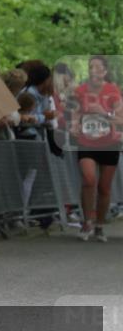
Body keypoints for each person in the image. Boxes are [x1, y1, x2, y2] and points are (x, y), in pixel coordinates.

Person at [70, 55, 122, 242]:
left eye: (98, 68)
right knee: (89, 179)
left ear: (105, 72)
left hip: (109, 143)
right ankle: (87, 222)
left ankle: (99, 225)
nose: (94, 71)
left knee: (104, 188)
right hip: (87, 142)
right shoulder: (80, 91)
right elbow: (74, 113)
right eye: (91, 67)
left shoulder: (113, 91)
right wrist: (74, 125)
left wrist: (105, 113)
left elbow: (120, 119)